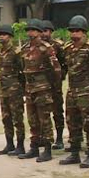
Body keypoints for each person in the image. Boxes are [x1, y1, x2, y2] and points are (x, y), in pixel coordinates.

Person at [58, 15, 89, 169]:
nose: (74, 34)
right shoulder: (68, 48)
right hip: (72, 90)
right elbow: (65, 67)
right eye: (72, 31)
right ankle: (74, 152)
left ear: (84, 32)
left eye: (77, 31)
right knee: (72, 122)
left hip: (87, 90)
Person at [18, 19, 62, 162]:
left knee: (45, 119)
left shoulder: (46, 48)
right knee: (32, 119)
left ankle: (47, 149)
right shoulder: (24, 48)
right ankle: (34, 147)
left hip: (43, 89)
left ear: (38, 32)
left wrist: (52, 87)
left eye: (33, 30)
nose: (30, 32)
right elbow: (22, 69)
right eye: (29, 30)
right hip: (30, 89)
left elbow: (56, 70)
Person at [0, 24, 26, 156]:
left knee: (17, 118)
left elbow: (22, 71)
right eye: (0, 34)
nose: (1, 36)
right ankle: (9, 144)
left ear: (10, 36)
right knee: (6, 118)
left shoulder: (16, 52)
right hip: (4, 90)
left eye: (4, 34)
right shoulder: (0, 51)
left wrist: (21, 89)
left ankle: (20, 146)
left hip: (15, 90)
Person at [41, 20, 67, 149]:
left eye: (46, 31)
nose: (44, 34)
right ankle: (44, 137)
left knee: (57, 111)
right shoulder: (37, 46)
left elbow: (64, 63)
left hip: (54, 85)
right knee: (42, 112)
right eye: (42, 31)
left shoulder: (57, 46)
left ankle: (60, 137)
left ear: (51, 32)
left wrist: (60, 77)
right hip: (41, 85)